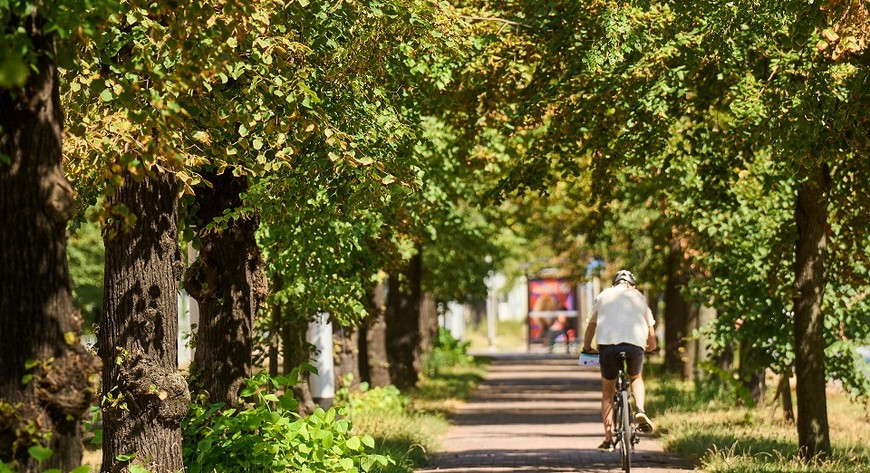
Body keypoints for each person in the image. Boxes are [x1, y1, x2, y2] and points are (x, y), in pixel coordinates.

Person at [582, 269, 657, 452]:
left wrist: (586, 347)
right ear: (632, 284)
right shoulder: (638, 296)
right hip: (634, 346)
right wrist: (652, 346)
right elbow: (650, 328)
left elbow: (591, 325)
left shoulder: (603, 295)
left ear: (614, 284)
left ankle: (608, 439)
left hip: (608, 346)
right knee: (636, 377)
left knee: (608, 391)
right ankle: (639, 409)